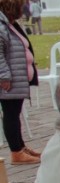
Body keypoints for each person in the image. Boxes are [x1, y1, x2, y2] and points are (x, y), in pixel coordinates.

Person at [0, 0, 39, 164]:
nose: (24, 8)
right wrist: (4, 76)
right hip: (8, 79)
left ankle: (20, 146)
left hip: (18, 76)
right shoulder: (1, 24)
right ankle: (16, 152)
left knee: (15, 113)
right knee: (10, 114)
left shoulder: (9, 23)